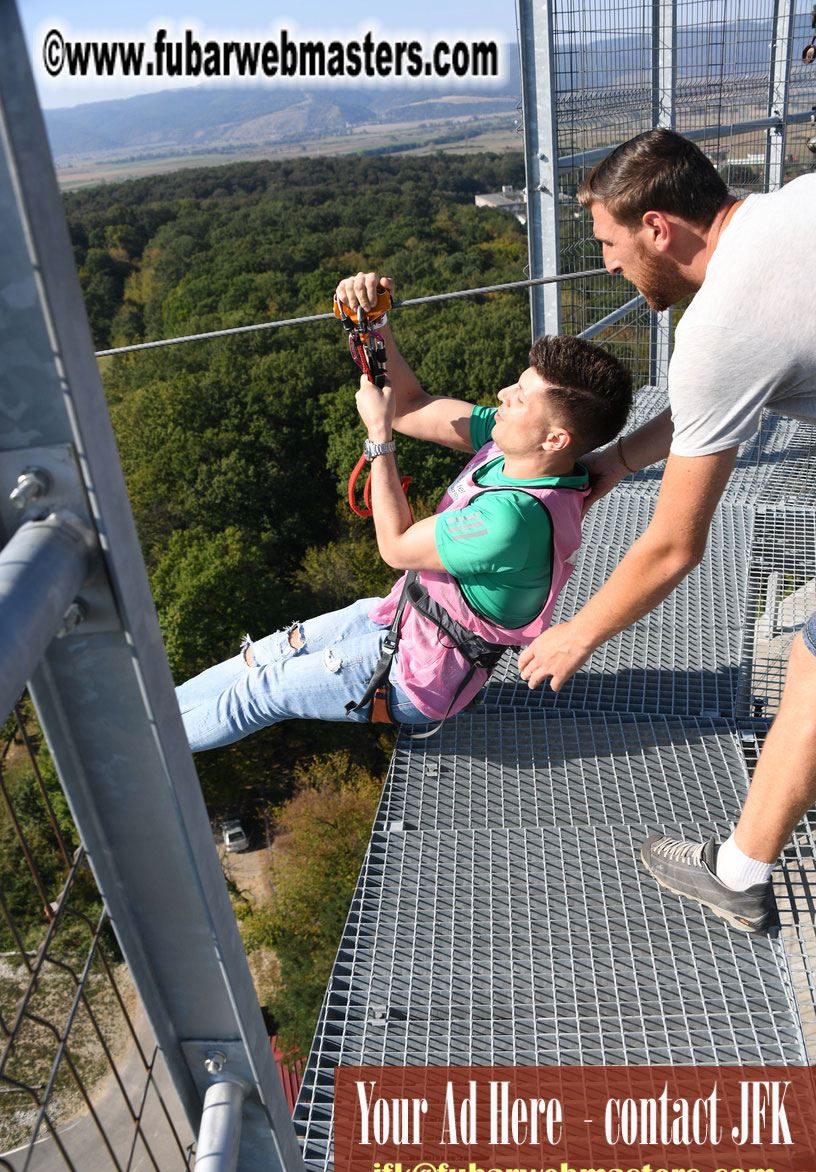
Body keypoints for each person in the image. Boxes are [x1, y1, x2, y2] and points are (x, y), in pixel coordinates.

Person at [517, 128, 816, 934]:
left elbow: (675, 547)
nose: (607, 265)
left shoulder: (716, 328)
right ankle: (741, 867)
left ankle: (737, 877)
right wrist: (618, 458)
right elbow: (726, 397)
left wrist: (578, 635)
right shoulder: (794, 207)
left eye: (611, 244)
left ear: (659, 227)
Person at [177, 271, 631, 751]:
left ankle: (129, 749)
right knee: (263, 657)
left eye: (520, 399)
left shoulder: (511, 519)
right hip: (403, 616)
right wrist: (374, 324)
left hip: (419, 674)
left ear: (555, 438)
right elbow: (411, 406)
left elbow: (395, 547)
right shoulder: (518, 454)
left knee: (260, 691)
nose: (502, 396)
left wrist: (379, 439)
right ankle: (148, 711)